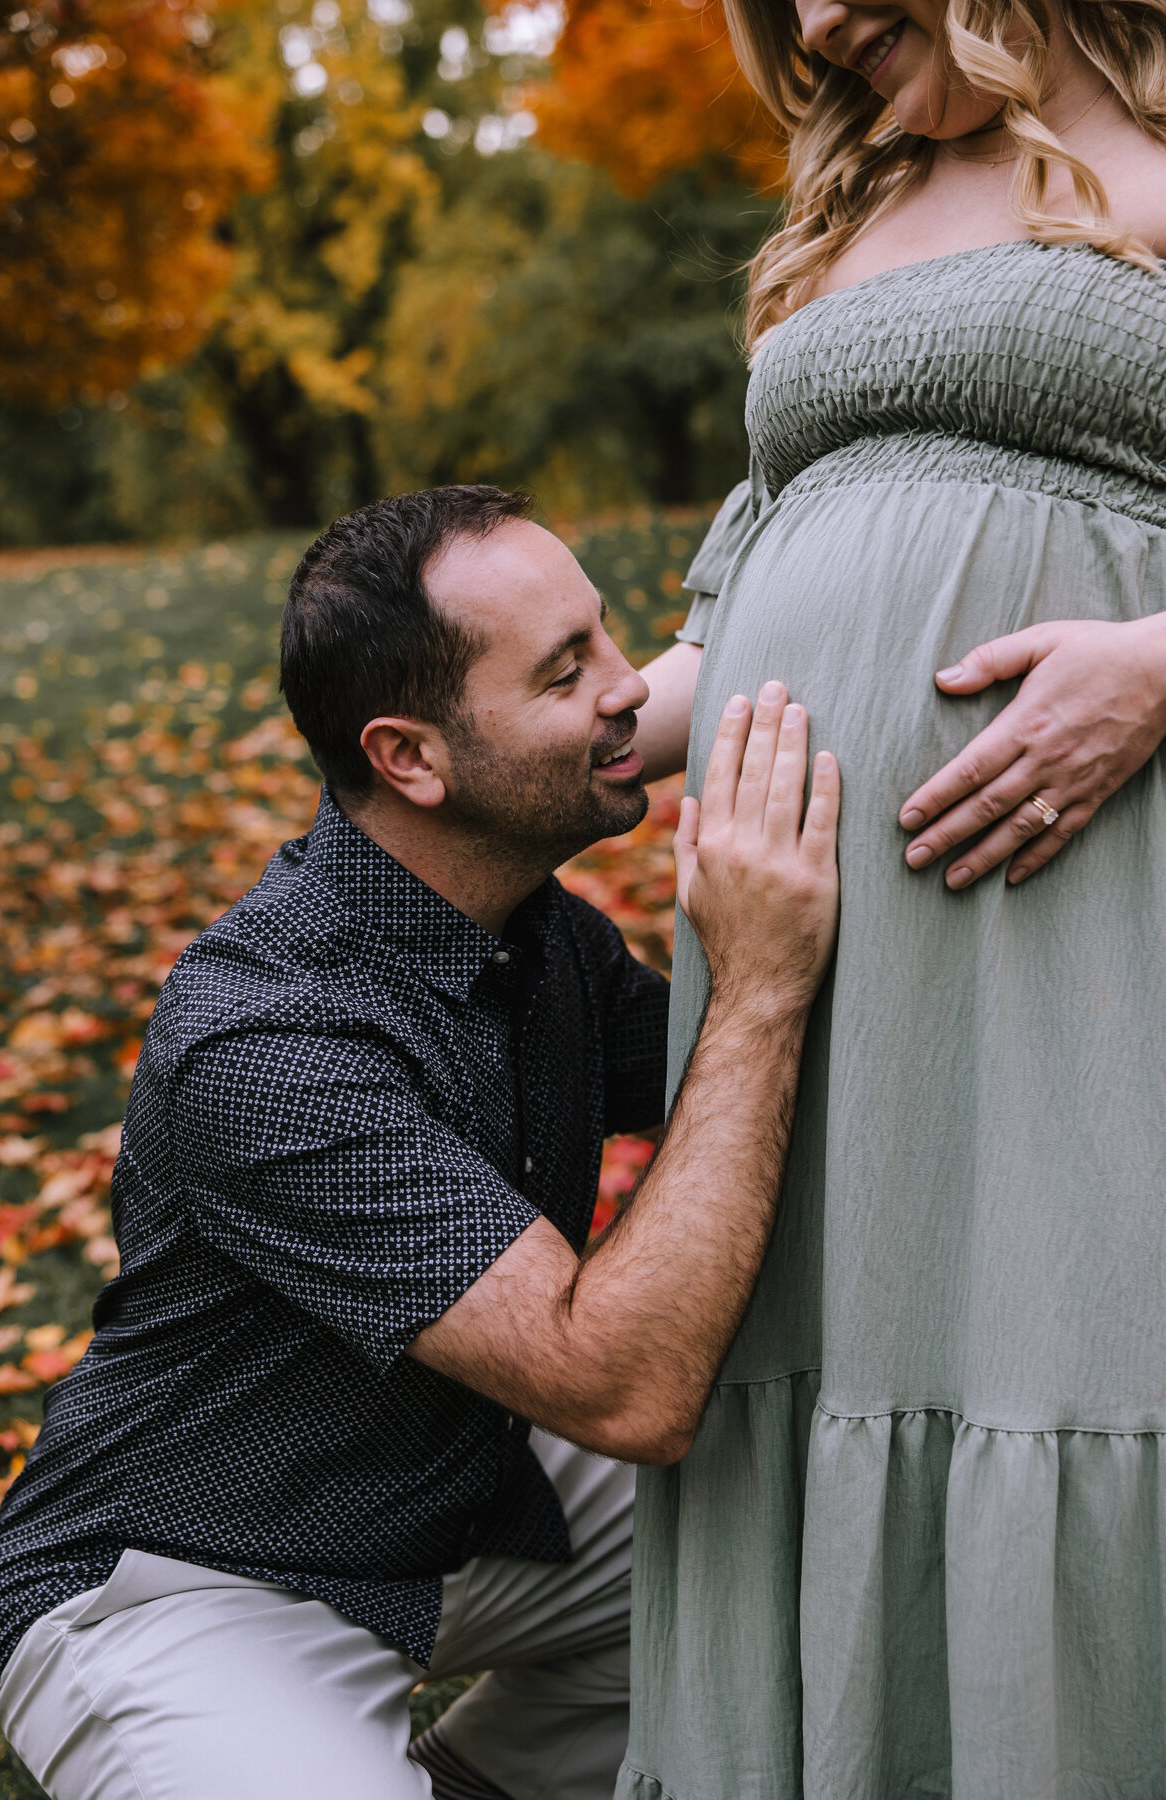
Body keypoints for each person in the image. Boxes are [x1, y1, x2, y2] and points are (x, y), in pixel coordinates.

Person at [0, 485, 841, 1800]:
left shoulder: (532, 926)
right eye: (567, 672)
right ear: (412, 758)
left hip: (453, 1485)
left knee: (811, 1539)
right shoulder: (266, 1042)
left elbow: (743, 1110)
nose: (630, 693)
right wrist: (761, 982)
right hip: (191, 1581)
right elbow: (622, 1388)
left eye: (609, 637)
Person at [617, 0, 1166, 1793]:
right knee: (817, 1355)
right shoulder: (849, 211)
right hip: (810, 957)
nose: (824, 18)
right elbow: (751, 574)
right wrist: (580, 730)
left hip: (1084, 910)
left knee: (1061, 1339)